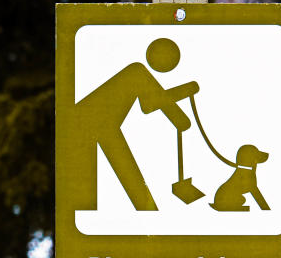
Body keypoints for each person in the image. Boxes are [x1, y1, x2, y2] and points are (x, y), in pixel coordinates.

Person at [76, 37, 199, 210]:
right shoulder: (137, 71)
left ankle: (149, 217)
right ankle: (148, 216)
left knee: (134, 188)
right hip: (89, 123)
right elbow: (154, 102)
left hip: (104, 125)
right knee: (86, 197)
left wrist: (183, 99)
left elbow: (149, 104)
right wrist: (182, 113)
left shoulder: (136, 73)